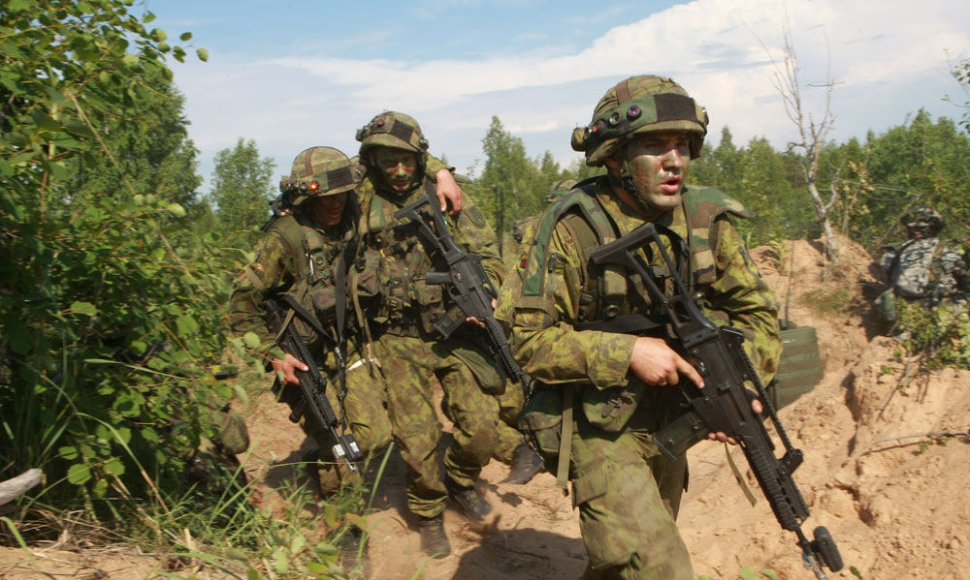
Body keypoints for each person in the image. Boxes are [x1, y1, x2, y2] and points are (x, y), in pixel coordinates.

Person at [496, 75, 782, 579]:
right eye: (654, 146)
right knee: (656, 567)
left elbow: (757, 315)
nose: (675, 161)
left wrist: (739, 378)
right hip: (591, 420)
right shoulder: (569, 228)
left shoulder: (706, 220)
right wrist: (627, 353)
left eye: (683, 146)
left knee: (625, 560)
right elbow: (528, 342)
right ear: (614, 157)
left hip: (671, 416)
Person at [354, 111, 541, 557]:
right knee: (417, 444)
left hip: (452, 328)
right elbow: (334, 176)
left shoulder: (444, 196)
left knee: (479, 426)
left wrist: (488, 295)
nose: (398, 171)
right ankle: (428, 509)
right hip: (395, 337)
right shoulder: (360, 198)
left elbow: (490, 255)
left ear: (419, 158)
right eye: (387, 161)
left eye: (407, 161)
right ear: (373, 160)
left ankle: (458, 480)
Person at [228, 146, 392, 496]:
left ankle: (318, 464)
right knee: (339, 443)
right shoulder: (284, 238)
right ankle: (343, 524)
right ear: (304, 198)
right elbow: (241, 308)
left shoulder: (350, 216)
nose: (335, 204)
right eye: (325, 199)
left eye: (341, 196)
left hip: (342, 344)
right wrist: (273, 356)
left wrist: (440, 174)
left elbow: (380, 162)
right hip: (298, 359)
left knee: (376, 435)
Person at [875, 204, 970, 323]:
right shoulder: (897, 252)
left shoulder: (895, 252)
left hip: (923, 313)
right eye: (913, 227)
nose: (914, 230)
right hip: (914, 312)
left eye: (917, 227)